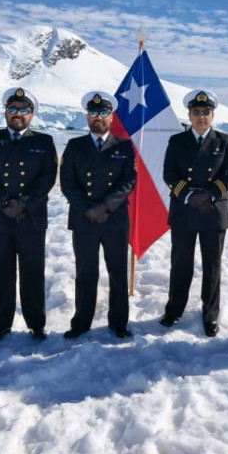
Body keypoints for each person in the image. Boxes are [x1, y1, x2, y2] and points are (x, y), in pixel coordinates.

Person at [0, 87, 58, 341]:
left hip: (30, 218)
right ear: (5, 112)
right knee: (1, 271)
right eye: (12, 109)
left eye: (23, 110)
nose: (17, 114)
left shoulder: (44, 142)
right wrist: (3, 203)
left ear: (31, 114)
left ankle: (36, 323)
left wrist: (23, 203)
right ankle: (2, 323)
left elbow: (47, 178)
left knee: (32, 271)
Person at [159, 89, 228, 337]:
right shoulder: (177, 141)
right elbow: (169, 174)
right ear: (189, 115)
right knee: (180, 263)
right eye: (196, 112)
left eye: (206, 112)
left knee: (212, 265)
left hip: (213, 210)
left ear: (213, 115)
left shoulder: (224, 141)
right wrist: (189, 196)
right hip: (184, 209)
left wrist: (210, 194)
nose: (201, 117)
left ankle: (210, 314)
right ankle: (174, 310)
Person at [59, 91, 137, 339]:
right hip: (84, 220)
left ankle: (119, 322)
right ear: (86, 117)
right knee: (85, 272)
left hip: (114, 219)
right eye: (93, 113)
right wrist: (87, 209)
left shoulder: (124, 147)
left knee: (117, 271)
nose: (98, 118)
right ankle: (81, 322)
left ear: (111, 117)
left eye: (103, 113)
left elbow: (128, 182)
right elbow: (67, 183)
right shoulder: (74, 146)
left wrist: (103, 208)